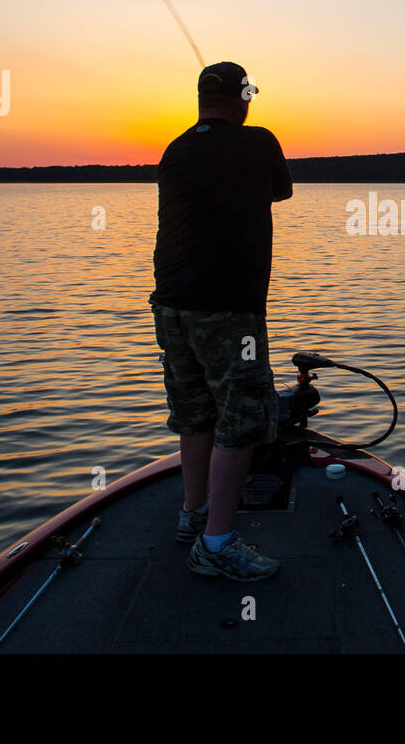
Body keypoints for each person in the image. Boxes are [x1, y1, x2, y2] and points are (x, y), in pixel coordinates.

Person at [150, 61, 293, 581]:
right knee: (241, 422)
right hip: (228, 307)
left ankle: (193, 515)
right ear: (245, 97)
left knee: (195, 413)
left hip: (171, 304)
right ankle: (217, 544)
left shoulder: (176, 148)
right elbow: (282, 190)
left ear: (198, 100)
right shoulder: (258, 141)